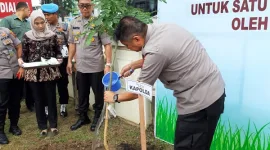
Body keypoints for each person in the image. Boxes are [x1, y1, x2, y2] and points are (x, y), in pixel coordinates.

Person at [104, 16, 226, 150]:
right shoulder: (166, 28)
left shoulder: (155, 51)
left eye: (127, 45)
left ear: (137, 38)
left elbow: (140, 90)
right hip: (214, 90)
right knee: (200, 143)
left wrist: (114, 97)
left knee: (189, 145)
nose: (129, 48)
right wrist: (135, 64)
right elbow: (168, 56)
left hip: (200, 103)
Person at [67, 0, 112, 131]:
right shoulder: (74, 23)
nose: (85, 8)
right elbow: (72, 43)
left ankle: (98, 117)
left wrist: (108, 64)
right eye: (82, 5)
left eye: (87, 5)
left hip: (96, 66)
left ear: (92, 6)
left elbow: (107, 44)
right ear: (78, 6)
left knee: (98, 94)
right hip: (80, 66)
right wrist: (70, 61)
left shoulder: (99, 22)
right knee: (82, 93)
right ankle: (83, 117)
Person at [18, 10, 62, 136]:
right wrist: (21, 60)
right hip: (33, 72)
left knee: (51, 98)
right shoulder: (27, 36)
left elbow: (57, 51)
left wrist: (59, 59)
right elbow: (24, 54)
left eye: (42, 22)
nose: (40, 26)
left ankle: (53, 125)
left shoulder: (52, 35)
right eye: (36, 23)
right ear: (32, 23)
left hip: (49, 71)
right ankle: (42, 126)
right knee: (38, 99)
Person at [0, 2, 34, 112]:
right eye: (28, 10)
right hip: (13, 58)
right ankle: (14, 104)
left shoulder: (28, 23)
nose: (30, 12)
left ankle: (30, 103)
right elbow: (4, 38)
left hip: (28, 54)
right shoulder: (8, 20)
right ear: (23, 9)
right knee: (16, 82)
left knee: (29, 80)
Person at [41, 3, 69, 118]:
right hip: (47, 60)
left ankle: (63, 105)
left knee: (62, 84)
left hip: (61, 60)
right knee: (48, 85)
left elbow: (70, 42)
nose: (46, 17)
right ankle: (47, 107)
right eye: (45, 15)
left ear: (55, 14)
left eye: (48, 15)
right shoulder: (42, 26)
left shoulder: (65, 26)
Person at [0, 27, 24, 144]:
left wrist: (20, 63)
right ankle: (0, 132)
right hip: (1, 74)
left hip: (15, 72)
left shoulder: (6, 31)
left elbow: (19, 45)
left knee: (15, 101)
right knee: (2, 103)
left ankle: (13, 126)